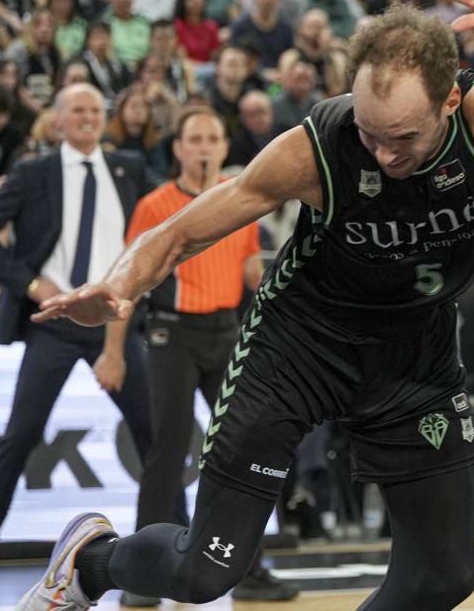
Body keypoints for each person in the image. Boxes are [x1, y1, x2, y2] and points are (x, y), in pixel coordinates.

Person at [18, 0, 474, 611]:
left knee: (445, 576)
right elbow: (187, 226)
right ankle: (91, 563)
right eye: (371, 133)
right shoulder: (320, 148)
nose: (384, 153)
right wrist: (121, 284)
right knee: (205, 573)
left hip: (415, 355)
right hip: (299, 347)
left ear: (449, 103)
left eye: (402, 138)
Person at [115, 105, 295, 606]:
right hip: (173, 336)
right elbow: (129, 280)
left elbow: (253, 281)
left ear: (222, 147)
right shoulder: (155, 204)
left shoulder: (238, 203)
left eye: (212, 139)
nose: (203, 147)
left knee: (242, 451)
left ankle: (249, 569)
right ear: (177, 148)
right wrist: (114, 351)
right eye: (194, 139)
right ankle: (141, 578)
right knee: (166, 455)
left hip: (226, 334)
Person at [0, 85, 154, 585]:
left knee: (155, 439)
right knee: (19, 437)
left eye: (96, 111)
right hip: (53, 323)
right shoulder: (34, 173)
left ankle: (175, 545)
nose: (87, 118)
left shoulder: (131, 169)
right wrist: (31, 284)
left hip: (113, 321)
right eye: (77, 109)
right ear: (57, 119)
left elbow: (167, 221)